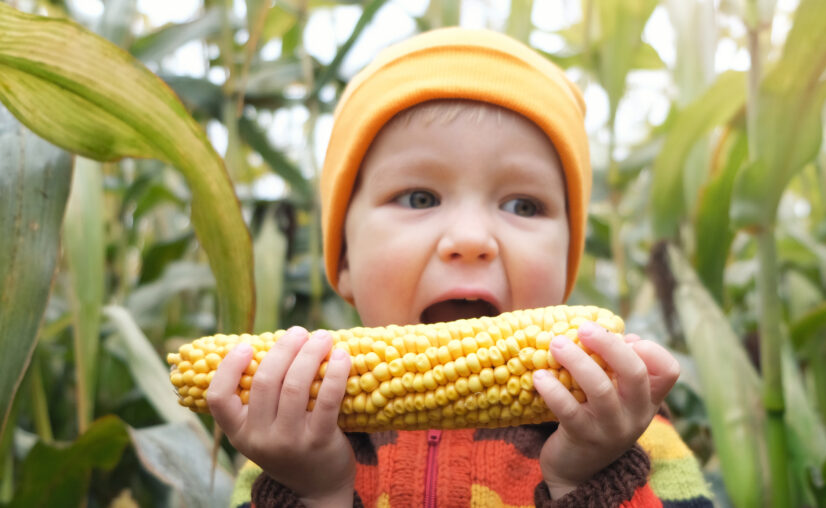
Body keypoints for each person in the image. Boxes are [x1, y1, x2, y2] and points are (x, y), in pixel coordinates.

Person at [206, 27, 713, 507]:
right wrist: (314, 492)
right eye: (419, 196)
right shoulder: (288, 439)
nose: (471, 240)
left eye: (523, 206)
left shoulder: (629, 432)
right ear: (341, 261)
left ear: (567, 270)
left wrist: (593, 480)